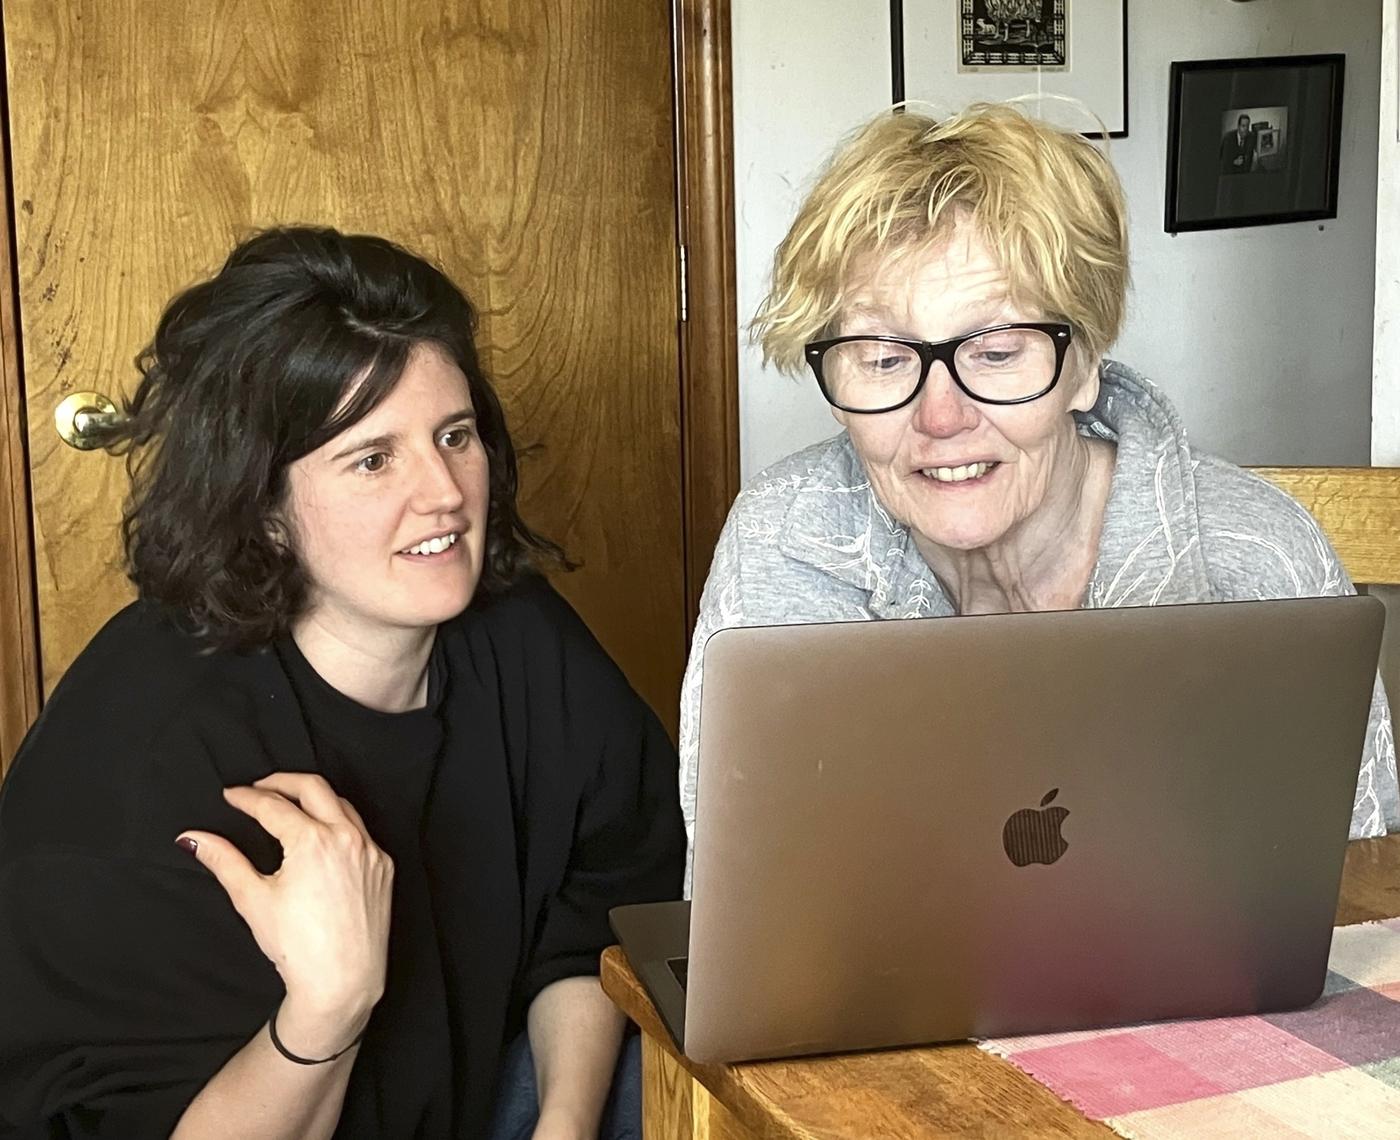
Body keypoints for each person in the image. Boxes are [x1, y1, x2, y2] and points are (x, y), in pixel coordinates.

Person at [0, 227, 684, 1138]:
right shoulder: (146, 761)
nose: (444, 490)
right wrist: (329, 1004)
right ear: (265, 508)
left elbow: (604, 904)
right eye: (373, 458)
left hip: (479, 1093)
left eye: (455, 435)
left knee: (691, 1054)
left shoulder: (520, 636)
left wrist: (562, 1127)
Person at [678, 103, 1400, 891]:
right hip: (878, 1017)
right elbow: (741, 905)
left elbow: (1351, 904)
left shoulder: (1255, 560)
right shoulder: (780, 543)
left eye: (995, 352)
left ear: (1084, 363)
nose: (941, 416)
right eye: (883, 359)